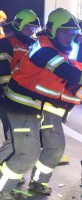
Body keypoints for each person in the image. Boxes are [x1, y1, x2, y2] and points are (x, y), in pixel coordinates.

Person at [0, 8, 82, 200]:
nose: (71, 37)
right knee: (28, 152)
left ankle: (26, 183)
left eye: (72, 33)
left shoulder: (58, 44)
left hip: (32, 105)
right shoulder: (44, 50)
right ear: (53, 30)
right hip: (21, 103)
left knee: (28, 149)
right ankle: (2, 189)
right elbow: (71, 74)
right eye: (66, 32)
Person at [0, 9, 41, 140]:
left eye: (34, 28)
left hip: (26, 95)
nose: (32, 31)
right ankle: (9, 156)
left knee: (26, 132)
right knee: (12, 132)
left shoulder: (34, 45)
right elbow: (3, 69)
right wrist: (6, 91)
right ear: (19, 25)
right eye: (29, 27)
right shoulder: (6, 43)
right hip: (7, 95)